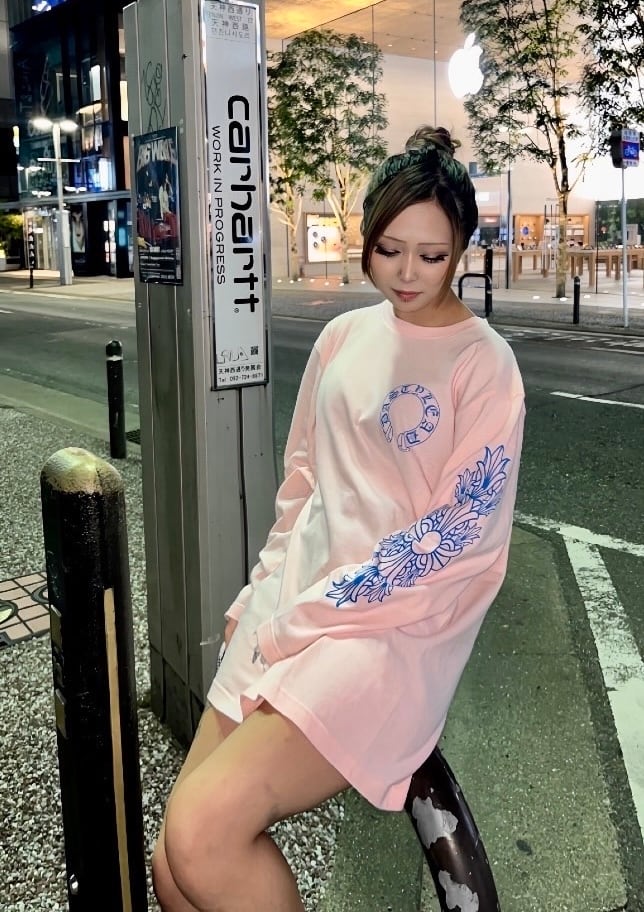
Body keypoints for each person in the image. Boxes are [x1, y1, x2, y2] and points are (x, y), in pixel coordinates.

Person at [152, 126, 525, 912]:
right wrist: (263, 596)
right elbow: (303, 489)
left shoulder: (483, 365)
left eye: (432, 255)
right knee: (173, 869)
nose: (408, 273)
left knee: (202, 837)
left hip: (387, 636)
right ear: (367, 237)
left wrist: (322, 608)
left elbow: (457, 540)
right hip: (293, 603)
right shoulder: (341, 336)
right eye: (389, 250)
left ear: (462, 248)